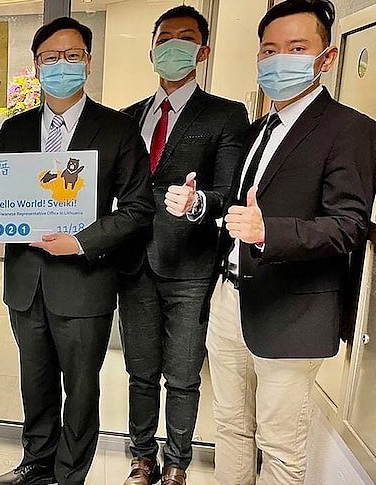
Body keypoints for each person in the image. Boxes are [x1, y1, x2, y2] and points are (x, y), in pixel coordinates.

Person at [0, 17, 155, 485]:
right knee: (35, 383)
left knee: (81, 389)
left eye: (71, 56)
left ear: (88, 60)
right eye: (50, 58)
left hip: (84, 285)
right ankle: (36, 462)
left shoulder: (118, 129)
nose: (61, 65)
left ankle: (68, 474)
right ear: (36, 66)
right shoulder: (14, 130)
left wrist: (81, 241)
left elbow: (139, 209)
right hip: (25, 283)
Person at [208, 1, 376, 483]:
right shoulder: (260, 129)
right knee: (230, 425)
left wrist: (270, 232)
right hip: (229, 296)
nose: (279, 61)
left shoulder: (352, 130)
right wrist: (203, 205)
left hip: (292, 310)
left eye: (296, 48)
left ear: (327, 58)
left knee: (280, 445)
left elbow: (348, 225)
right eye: (269, 50)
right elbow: (242, 204)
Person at [118, 6, 250, 485]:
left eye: (185, 37)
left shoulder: (227, 115)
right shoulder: (128, 118)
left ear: (203, 50)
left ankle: (176, 463)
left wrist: (197, 205)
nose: (173, 45)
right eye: (164, 38)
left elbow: (228, 190)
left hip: (191, 266)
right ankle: (141, 457)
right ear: (152, 49)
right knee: (140, 370)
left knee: (183, 374)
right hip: (133, 262)